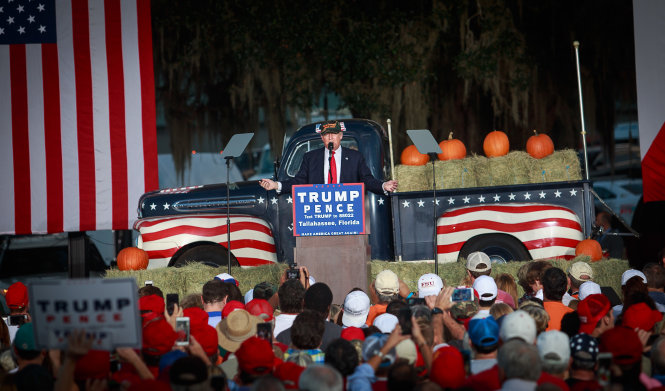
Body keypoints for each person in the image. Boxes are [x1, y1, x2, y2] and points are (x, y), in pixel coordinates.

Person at [259, 120, 398, 194]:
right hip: (321, 216)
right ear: (322, 137)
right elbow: (299, 181)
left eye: (334, 134)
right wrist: (276, 185)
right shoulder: (310, 157)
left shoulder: (355, 157)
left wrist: (383, 185)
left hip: (348, 214)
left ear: (341, 136)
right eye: (326, 134)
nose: (330, 137)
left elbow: (367, 180)